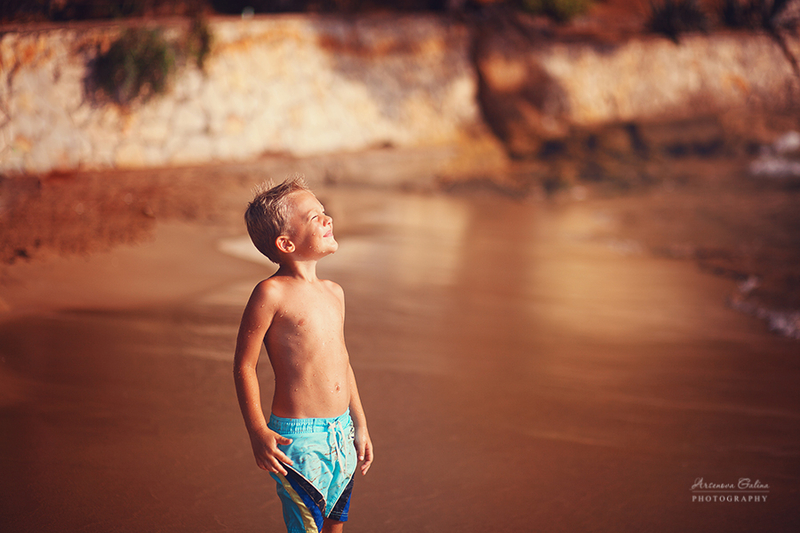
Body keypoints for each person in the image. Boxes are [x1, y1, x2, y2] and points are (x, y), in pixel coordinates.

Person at [233, 175, 373, 533]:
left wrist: (359, 424)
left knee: (335, 523)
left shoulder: (335, 292)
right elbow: (245, 365)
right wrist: (257, 430)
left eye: (324, 211)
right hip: (300, 438)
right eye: (314, 217)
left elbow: (343, 363)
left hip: (341, 432)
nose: (328, 219)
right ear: (286, 243)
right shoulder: (271, 293)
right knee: (307, 527)